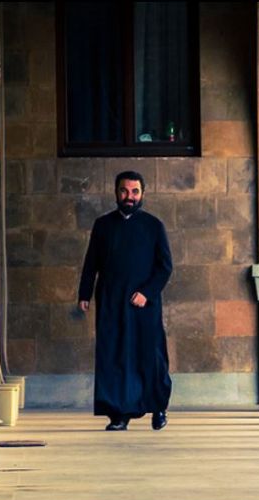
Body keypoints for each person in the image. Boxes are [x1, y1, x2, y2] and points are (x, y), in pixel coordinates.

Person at [77, 171, 173, 431]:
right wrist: (84, 294)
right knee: (114, 356)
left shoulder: (154, 226)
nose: (129, 197)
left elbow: (165, 267)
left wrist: (147, 293)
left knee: (151, 356)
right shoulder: (103, 225)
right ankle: (118, 414)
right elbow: (91, 263)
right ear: (116, 192)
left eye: (134, 192)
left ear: (142, 194)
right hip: (111, 302)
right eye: (124, 191)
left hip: (144, 306)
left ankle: (158, 409)